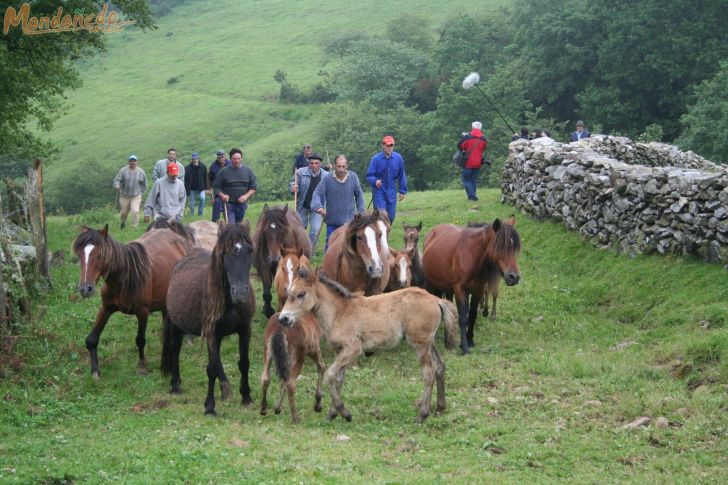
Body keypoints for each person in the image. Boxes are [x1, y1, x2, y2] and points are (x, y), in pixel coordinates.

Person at [311, 154, 365, 251]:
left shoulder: (353, 177)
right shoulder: (327, 178)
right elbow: (316, 193)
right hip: (333, 222)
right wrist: (318, 206)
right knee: (330, 249)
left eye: (343, 166)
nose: (341, 169)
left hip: (350, 223)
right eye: (338, 166)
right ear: (334, 165)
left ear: (347, 166)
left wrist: (361, 212)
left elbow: (359, 196)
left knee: (351, 250)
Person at [289, 152, 329, 251]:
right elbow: (292, 183)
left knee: (315, 230)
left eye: (316, 163)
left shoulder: (326, 176)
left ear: (320, 164)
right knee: (300, 229)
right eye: (311, 163)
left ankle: (310, 250)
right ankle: (299, 249)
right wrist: (293, 187)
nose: (314, 165)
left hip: (317, 208)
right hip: (302, 206)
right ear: (308, 163)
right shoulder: (300, 172)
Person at [366, 135, 407, 223]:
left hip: (392, 190)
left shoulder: (398, 158)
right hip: (379, 191)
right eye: (387, 145)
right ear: (382, 145)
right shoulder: (375, 159)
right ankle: (380, 234)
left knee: (391, 217)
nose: (389, 147)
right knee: (382, 216)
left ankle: (384, 234)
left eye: (391, 145)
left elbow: (401, 175)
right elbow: (369, 175)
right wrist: (375, 181)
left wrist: (402, 191)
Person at [212, 148, 257, 223]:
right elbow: (216, 187)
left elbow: (253, 187)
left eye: (239, 158)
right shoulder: (223, 172)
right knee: (231, 226)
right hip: (229, 205)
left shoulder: (248, 171)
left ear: (241, 158)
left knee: (238, 225)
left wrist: (245, 196)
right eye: (235, 159)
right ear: (230, 159)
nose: (237, 161)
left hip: (242, 205)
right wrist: (223, 195)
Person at [112, 155, 147, 229]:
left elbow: (144, 184)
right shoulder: (123, 170)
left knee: (135, 211)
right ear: (128, 162)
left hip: (136, 195)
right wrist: (117, 185)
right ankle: (122, 224)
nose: (133, 162)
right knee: (123, 213)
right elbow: (116, 180)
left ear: (137, 162)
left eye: (134, 161)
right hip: (124, 195)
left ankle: (134, 227)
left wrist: (141, 192)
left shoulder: (141, 172)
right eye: (131, 161)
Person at [457, 121, 489, 202]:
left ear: (472, 128)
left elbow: (459, 145)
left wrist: (463, 137)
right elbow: (484, 148)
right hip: (478, 162)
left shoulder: (467, 137)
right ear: (480, 128)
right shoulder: (483, 139)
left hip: (468, 162)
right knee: (473, 180)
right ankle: (472, 197)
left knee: (466, 180)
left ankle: (472, 197)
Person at [208, 149, 231, 222]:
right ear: (217, 157)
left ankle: (229, 223)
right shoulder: (213, 166)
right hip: (218, 190)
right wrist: (210, 189)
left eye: (222, 157)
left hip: (229, 189)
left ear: (225, 156)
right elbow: (210, 178)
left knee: (228, 207)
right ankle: (214, 222)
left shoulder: (230, 164)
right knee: (216, 204)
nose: (221, 158)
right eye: (219, 157)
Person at [184, 152, 208, 217]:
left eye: (197, 159)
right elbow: (185, 180)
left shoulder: (203, 167)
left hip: (201, 188)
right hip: (192, 188)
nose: (195, 160)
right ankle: (191, 214)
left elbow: (206, 178)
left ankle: (200, 213)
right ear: (192, 160)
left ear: (199, 159)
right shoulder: (187, 168)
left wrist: (207, 188)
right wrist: (186, 189)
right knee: (191, 203)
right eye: (194, 159)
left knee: (202, 199)